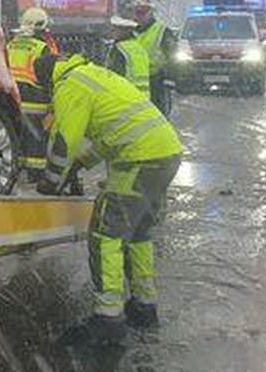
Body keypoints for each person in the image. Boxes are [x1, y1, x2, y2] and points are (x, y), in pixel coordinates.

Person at [32, 52, 183, 344]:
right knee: (138, 233)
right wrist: (81, 163)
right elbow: (111, 133)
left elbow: (64, 140)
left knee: (106, 233)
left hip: (140, 160)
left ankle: (108, 318)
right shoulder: (94, 74)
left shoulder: (69, 85)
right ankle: (144, 306)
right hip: (166, 153)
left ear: (47, 78)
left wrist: (50, 183)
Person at [7, 7, 59, 170]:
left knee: (18, 134)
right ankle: (36, 171)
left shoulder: (11, 44)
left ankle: (17, 167)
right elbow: (49, 74)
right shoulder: (42, 47)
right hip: (36, 98)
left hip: (13, 96)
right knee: (38, 137)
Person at [132, 0, 177, 116]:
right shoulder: (131, 32)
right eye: (137, 13)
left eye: (142, 13)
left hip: (157, 80)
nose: (139, 16)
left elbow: (172, 56)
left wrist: (169, 76)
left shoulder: (162, 31)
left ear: (150, 13)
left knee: (158, 114)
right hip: (135, 80)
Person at [105, 15, 150, 95]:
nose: (112, 31)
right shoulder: (139, 48)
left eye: (115, 29)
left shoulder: (119, 49)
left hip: (125, 95)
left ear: (124, 30)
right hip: (143, 96)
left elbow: (115, 76)